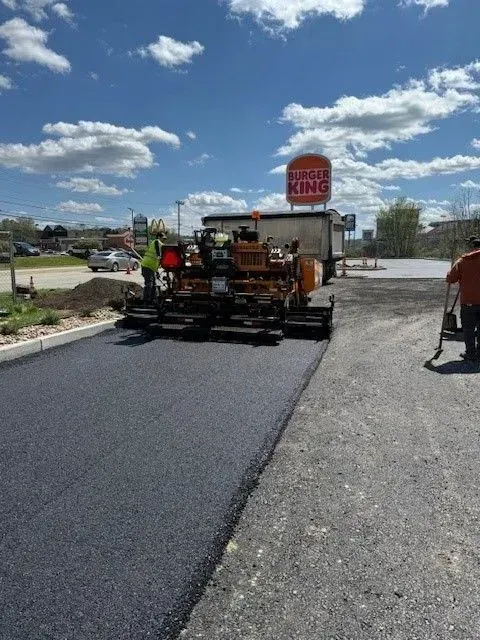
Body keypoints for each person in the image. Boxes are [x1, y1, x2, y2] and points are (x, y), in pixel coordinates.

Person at [446, 235, 480, 361]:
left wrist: (451, 272)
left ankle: (471, 353)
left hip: (469, 302)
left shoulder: (463, 261)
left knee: (469, 328)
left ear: (472, 247)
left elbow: (451, 279)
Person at [141, 231, 166, 305]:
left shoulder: (159, 245)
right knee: (149, 284)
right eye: (163, 238)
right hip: (146, 266)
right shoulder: (157, 241)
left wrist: (157, 271)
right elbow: (161, 247)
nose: (164, 240)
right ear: (159, 237)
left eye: (165, 238)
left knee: (154, 284)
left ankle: (152, 300)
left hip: (151, 268)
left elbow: (156, 262)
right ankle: (146, 301)